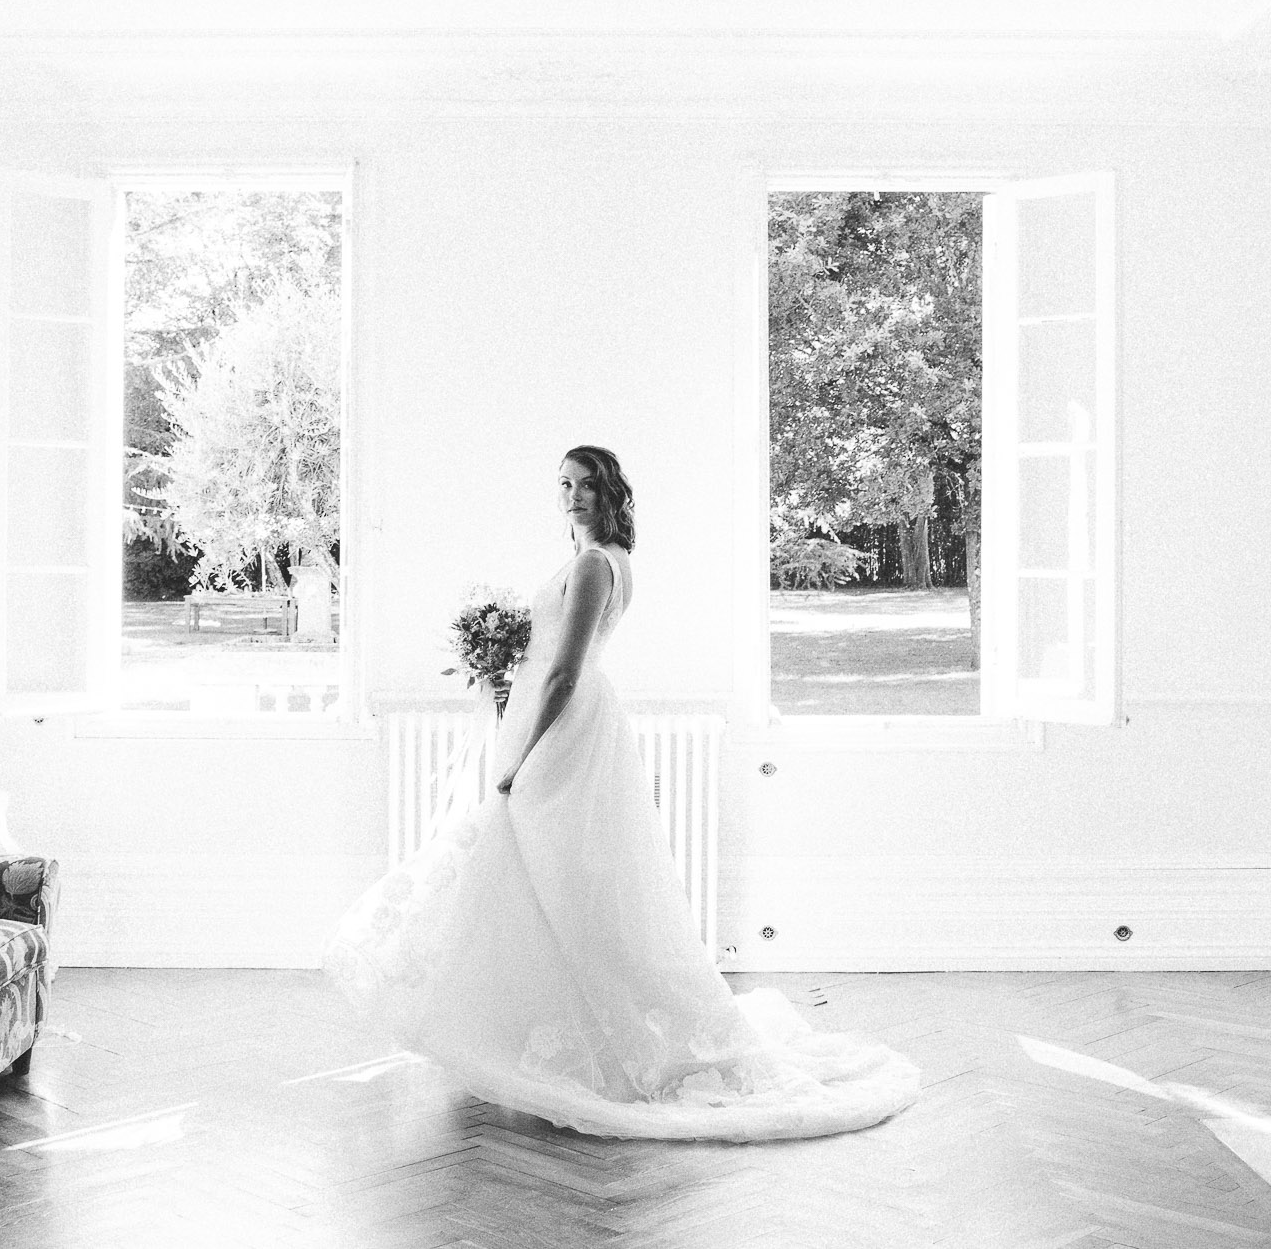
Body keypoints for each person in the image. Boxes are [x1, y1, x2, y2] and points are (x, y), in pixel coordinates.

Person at [324, 445, 920, 1140]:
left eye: (584, 485)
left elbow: (563, 673)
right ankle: (534, 1026)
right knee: (545, 880)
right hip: (566, 721)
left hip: (561, 730)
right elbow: (547, 660)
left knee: (542, 871)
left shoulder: (591, 563)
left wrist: (517, 753)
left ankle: (540, 1030)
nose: (571, 496)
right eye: (563, 485)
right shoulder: (607, 561)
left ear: (610, 493)